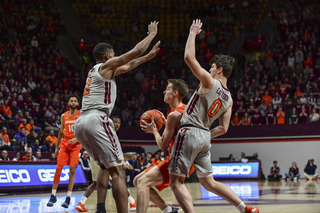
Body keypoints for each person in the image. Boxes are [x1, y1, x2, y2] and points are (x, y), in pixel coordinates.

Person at [167, 19, 259, 213]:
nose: (209, 69)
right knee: (209, 182)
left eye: (212, 66)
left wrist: (192, 33)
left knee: (175, 182)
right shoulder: (229, 99)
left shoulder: (210, 81)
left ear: (219, 70)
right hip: (205, 138)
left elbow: (189, 58)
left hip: (190, 131)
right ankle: (243, 208)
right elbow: (224, 128)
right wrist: (206, 135)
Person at [74, 21, 160, 213]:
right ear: (107, 56)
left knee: (106, 168)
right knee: (118, 172)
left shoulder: (96, 72)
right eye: (113, 55)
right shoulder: (106, 65)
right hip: (97, 119)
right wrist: (151, 35)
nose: (115, 57)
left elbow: (129, 65)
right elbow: (135, 52)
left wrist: (148, 57)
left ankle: (101, 207)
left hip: (81, 123)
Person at [136, 79, 189, 213]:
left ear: (175, 93)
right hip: (182, 158)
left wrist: (154, 130)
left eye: (168, 89)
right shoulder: (184, 110)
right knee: (137, 180)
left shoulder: (174, 114)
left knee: (142, 183)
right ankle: (168, 210)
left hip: (179, 160)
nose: (164, 91)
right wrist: (166, 125)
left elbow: (163, 146)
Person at [76, 117, 137, 212]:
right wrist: (125, 161)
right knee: (118, 179)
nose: (117, 124)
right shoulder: (107, 132)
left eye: (119, 123)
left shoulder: (106, 131)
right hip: (102, 158)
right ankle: (132, 202)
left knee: (96, 183)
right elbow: (112, 152)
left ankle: (81, 203)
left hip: (96, 157)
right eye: (115, 122)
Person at [47, 95, 82, 208]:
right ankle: (53, 195)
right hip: (65, 144)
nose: (73, 102)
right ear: (68, 103)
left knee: (72, 169)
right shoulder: (64, 116)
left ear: (77, 103)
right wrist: (57, 148)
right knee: (58, 167)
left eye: (75, 101)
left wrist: (76, 139)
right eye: (71, 100)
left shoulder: (81, 115)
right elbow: (61, 132)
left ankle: (68, 197)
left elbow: (85, 131)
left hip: (76, 145)